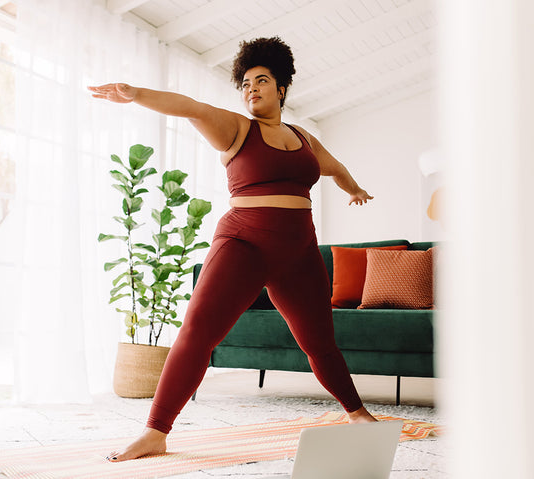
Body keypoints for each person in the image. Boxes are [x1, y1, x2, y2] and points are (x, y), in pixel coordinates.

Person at [89, 37, 376, 462]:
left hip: (299, 252)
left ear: (282, 88)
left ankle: (357, 414)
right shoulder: (237, 129)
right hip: (244, 243)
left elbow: (335, 168)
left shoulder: (305, 139)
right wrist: (137, 95)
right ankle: (155, 431)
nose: (251, 88)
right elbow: (190, 107)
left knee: (320, 343)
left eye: (262, 80)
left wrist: (355, 190)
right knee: (198, 332)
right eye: (244, 83)